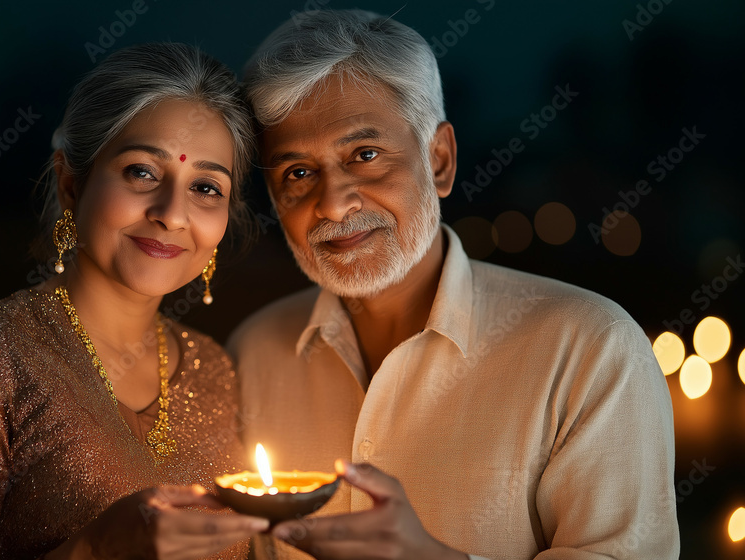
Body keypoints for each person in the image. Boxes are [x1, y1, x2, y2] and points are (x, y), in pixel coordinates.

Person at [229, 10, 678, 560]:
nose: (333, 203)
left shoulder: (590, 351)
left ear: (439, 160)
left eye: (365, 156)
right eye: (297, 172)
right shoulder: (250, 355)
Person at [0, 43, 269, 560]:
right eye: (142, 172)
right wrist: (97, 547)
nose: (173, 214)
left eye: (205, 186)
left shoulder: (216, 373)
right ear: (70, 184)